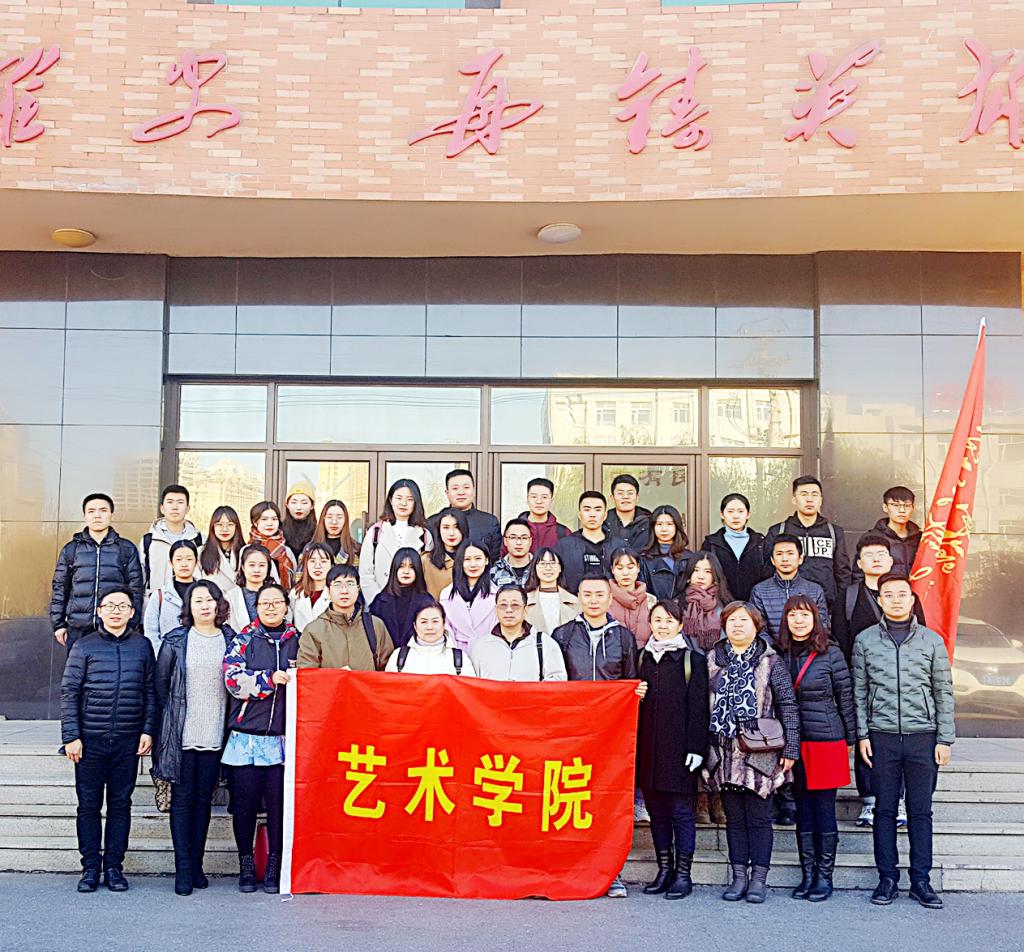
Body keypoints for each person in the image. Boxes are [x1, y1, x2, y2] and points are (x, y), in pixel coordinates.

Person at [852, 573, 955, 910]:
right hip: (881, 737)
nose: (896, 600)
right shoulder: (865, 641)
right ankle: (887, 879)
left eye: (902, 594)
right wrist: (862, 735)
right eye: (889, 594)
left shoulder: (931, 641)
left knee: (920, 811)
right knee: (884, 809)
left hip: (923, 737)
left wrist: (945, 739)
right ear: (879, 600)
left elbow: (943, 692)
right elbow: (859, 692)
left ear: (912, 600)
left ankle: (921, 881)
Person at [60, 586, 157, 893]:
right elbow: (69, 692)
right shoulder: (84, 646)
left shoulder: (142, 646)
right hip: (90, 741)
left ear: (132, 612)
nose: (116, 611)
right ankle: (90, 868)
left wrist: (148, 730)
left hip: (127, 740)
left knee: (120, 805)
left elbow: (150, 691)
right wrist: (71, 735)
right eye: (110, 606)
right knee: (88, 806)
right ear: (99, 611)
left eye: (122, 606)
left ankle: (114, 867)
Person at [703, 601, 800, 904]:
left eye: (744, 620)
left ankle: (758, 879)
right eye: (732, 620)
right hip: (723, 750)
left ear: (756, 626)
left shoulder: (770, 661)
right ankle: (738, 878)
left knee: (758, 818)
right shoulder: (712, 659)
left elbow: (787, 705)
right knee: (734, 818)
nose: (737, 625)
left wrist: (791, 747)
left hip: (761, 752)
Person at [552, 573, 639, 899]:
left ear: (610, 598)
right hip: (570, 732)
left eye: (599, 594)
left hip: (610, 735)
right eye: (587, 594)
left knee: (605, 802)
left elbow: (630, 681)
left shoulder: (624, 638)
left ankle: (611, 872)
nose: (593, 600)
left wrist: (635, 693)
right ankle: (568, 866)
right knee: (568, 798)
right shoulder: (563, 635)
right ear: (578, 597)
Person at [834, 534, 923, 828]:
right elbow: (840, 641)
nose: (876, 559)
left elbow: (920, 637)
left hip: (901, 684)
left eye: (881, 554)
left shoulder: (906, 595)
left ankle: (898, 799)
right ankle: (870, 801)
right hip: (863, 683)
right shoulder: (848, 597)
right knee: (866, 738)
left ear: (891, 560)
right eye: (869, 555)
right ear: (859, 563)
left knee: (899, 741)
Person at [152, 580, 233, 896]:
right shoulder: (175, 641)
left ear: (218, 604)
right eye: (197, 600)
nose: (204, 605)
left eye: (209, 599)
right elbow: (161, 688)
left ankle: (197, 864)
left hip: (215, 734)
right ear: (189, 606)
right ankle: (183, 869)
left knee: (203, 802)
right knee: (183, 802)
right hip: (182, 736)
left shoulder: (231, 639)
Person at [222, 581, 300, 895]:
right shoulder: (244, 639)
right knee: (245, 806)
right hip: (247, 738)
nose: (271, 607)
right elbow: (232, 680)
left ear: (286, 607)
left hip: (283, 740)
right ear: (256, 608)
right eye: (265, 603)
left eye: (277, 602)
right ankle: (246, 863)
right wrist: (269, 679)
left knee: (280, 807)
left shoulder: (299, 640)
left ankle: (274, 865)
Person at [777, 596, 855, 902]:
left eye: (805, 615)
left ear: (815, 619)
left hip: (825, 739)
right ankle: (807, 874)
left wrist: (851, 739)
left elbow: (845, 696)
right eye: (792, 615)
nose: (798, 621)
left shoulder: (831, 652)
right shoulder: (779, 653)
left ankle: (824, 877)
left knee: (823, 809)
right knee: (803, 809)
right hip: (793, 743)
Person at [636, 600, 710, 900]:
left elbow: (700, 709)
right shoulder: (642, 658)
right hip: (648, 751)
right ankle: (664, 870)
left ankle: (683, 875)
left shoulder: (693, 660)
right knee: (657, 813)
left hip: (680, 751)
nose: (663, 626)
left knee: (681, 812)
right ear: (650, 624)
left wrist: (696, 748)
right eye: (657, 620)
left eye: (669, 620)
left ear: (680, 625)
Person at [50, 493, 145, 656]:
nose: (97, 515)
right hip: (78, 628)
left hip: (115, 627)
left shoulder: (126, 549)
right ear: (85, 516)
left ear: (111, 514)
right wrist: (58, 625)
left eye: (103, 510)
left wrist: (131, 623)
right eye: (91, 511)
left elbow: (135, 589)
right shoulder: (71, 549)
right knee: (78, 670)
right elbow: (60, 587)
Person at [763, 476, 850, 614]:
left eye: (814, 495)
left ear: (821, 500)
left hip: (825, 606)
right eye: (803, 494)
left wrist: (840, 606)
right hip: (785, 607)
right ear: (794, 499)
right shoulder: (779, 531)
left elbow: (842, 572)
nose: (809, 499)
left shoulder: (834, 532)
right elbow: (767, 570)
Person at [297, 564, 394, 671]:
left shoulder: (375, 625)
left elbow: (388, 669)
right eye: (337, 585)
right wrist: (337, 677)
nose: (344, 591)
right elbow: (307, 673)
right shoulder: (314, 630)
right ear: (328, 591)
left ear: (358, 589)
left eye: (350, 584)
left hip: (368, 683)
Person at [470, 584, 567, 681]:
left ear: (525, 610)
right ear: (496, 610)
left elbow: (558, 682)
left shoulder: (545, 644)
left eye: (515, 605)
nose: (509, 610)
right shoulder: (480, 646)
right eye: (503, 605)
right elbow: (471, 684)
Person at [360, 478, 431, 605]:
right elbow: (366, 572)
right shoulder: (375, 532)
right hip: (380, 603)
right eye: (399, 498)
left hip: (412, 604)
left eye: (409, 499)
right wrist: (377, 601)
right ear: (390, 500)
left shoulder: (424, 535)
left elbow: (427, 574)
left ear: (416, 503)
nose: (403, 503)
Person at [749, 533, 830, 641]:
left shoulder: (815, 590)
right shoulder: (759, 591)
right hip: (772, 650)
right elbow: (759, 630)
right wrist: (774, 650)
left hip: (809, 650)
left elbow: (822, 627)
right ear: (772, 560)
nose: (785, 559)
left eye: (790, 553)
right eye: (779, 554)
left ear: (800, 558)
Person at [141, 484, 203, 598]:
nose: (175, 507)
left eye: (180, 502)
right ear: (162, 508)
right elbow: (141, 577)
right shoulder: (149, 540)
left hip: (190, 602)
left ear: (187, 509)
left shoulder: (199, 540)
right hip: (157, 602)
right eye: (170, 502)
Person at [702, 493, 767, 602]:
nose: (735, 516)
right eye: (730, 511)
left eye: (740, 511)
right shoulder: (711, 543)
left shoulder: (760, 542)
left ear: (748, 514)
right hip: (719, 604)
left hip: (755, 604)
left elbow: (767, 575)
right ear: (722, 514)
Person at [384, 601, 477, 677]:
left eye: (435, 621)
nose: (429, 627)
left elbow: (468, 691)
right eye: (423, 622)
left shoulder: (460, 658)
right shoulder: (399, 657)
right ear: (415, 626)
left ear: (444, 624)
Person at [369, 548, 434, 649]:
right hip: (386, 655)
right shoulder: (380, 601)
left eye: (411, 567)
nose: (406, 572)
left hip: (417, 654)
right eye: (401, 566)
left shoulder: (427, 601)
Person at [433, 468, 501, 560]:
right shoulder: (433, 522)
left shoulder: (490, 522)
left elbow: (494, 559)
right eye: (455, 488)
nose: (461, 492)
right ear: (447, 493)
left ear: (474, 490)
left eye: (466, 487)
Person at [854, 486, 922, 578]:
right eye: (896, 505)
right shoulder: (872, 537)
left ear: (913, 508)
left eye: (907, 506)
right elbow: (859, 574)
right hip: (884, 587)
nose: (902, 510)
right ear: (885, 507)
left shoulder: (922, 538)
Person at [143, 539, 199, 651]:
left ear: (196, 562)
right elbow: (151, 632)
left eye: (189, 559)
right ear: (171, 563)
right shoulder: (159, 595)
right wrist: (161, 656)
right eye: (178, 559)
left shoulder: (206, 594)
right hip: (168, 656)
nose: (184, 564)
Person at [441, 542, 496, 651]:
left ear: (486, 560)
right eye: (467, 559)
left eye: (478, 558)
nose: (473, 564)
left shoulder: (497, 595)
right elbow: (446, 629)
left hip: (488, 651)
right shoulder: (446, 595)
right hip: (457, 652)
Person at [678, 550, 734, 655]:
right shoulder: (678, 604)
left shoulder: (727, 604)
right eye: (696, 570)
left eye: (707, 572)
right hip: (688, 661)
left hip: (721, 660)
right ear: (689, 575)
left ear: (715, 576)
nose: (701, 576)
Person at [555, 490, 611, 595]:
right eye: (587, 510)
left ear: (605, 515)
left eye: (598, 510)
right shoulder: (565, 546)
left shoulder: (618, 546)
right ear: (580, 515)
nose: (592, 515)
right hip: (573, 602)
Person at [639, 504, 692, 600]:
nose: (664, 529)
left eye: (669, 524)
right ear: (653, 527)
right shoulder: (644, 558)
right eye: (659, 524)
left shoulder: (688, 557)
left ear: (677, 526)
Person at [608, 546, 657, 649]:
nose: (625, 573)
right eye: (619, 568)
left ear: (638, 568)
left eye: (630, 567)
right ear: (612, 570)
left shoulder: (651, 600)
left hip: (644, 656)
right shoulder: (605, 599)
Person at [524, 547, 579, 635]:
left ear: (560, 568)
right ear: (535, 568)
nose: (548, 568)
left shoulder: (575, 602)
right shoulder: (525, 602)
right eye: (543, 564)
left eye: (553, 563)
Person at [225, 544, 272, 634]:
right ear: (243, 567)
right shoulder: (230, 597)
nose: (257, 570)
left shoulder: (277, 594)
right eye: (252, 565)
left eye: (262, 565)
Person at [248, 501, 297, 589]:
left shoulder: (286, 551)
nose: (270, 523)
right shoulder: (247, 550)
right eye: (264, 519)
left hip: (282, 595)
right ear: (255, 522)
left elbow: (295, 578)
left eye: (274, 519)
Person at [197, 506, 244, 594]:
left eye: (230, 525)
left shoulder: (246, 552)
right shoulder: (200, 553)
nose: (225, 529)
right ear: (212, 527)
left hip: (241, 601)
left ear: (236, 527)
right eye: (219, 525)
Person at [423, 507, 468, 599]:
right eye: (446, 527)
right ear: (438, 530)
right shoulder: (426, 560)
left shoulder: (473, 559)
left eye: (456, 527)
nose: (451, 533)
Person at [290, 542, 334, 632]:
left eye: (323, 561)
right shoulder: (296, 593)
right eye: (312, 561)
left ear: (331, 564)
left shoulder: (337, 593)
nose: (317, 566)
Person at [520, 477, 571, 551]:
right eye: (534, 497)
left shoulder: (563, 533)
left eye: (544, 497)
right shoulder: (514, 530)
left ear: (551, 500)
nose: (539, 501)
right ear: (527, 499)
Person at [604, 474, 652, 551]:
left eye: (630, 493)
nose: (625, 497)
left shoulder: (650, 522)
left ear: (637, 497)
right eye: (620, 493)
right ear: (612, 498)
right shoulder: (603, 521)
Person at [311, 498, 358, 566]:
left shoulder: (355, 549)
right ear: (323, 519)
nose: (334, 522)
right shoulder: (310, 547)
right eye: (329, 517)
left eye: (339, 517)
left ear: (345, 519)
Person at [490, 518, 535, 588]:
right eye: (513, 537)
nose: (519, 542)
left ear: (530, 541)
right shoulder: (494, 571)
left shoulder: (540, 567)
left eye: (524, 538)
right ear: (505, 541)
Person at [282, 481, 317, 559]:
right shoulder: (278, 530)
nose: (298, 507)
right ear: (287, 505)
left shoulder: (318, 531)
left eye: (304, 503)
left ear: (312, 505)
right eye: (294, 502)